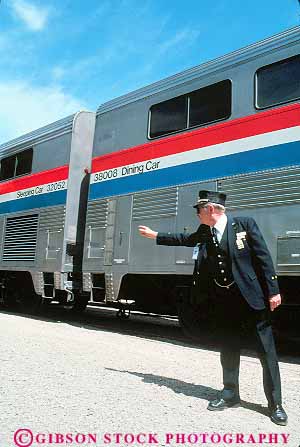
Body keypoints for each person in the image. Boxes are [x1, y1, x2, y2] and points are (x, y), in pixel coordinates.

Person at [138, 190, 287, 426]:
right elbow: (184, 239)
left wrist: (274, 290)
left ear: (210, 209)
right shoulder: (206, 232)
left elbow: (263, 257)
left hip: (252, 300)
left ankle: (275, 404)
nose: (197, 215)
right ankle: (230, 394)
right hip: (225, 302)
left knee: (266, 352)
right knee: (228, 349)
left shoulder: (244, 225)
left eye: (199, 210)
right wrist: (156, 235)